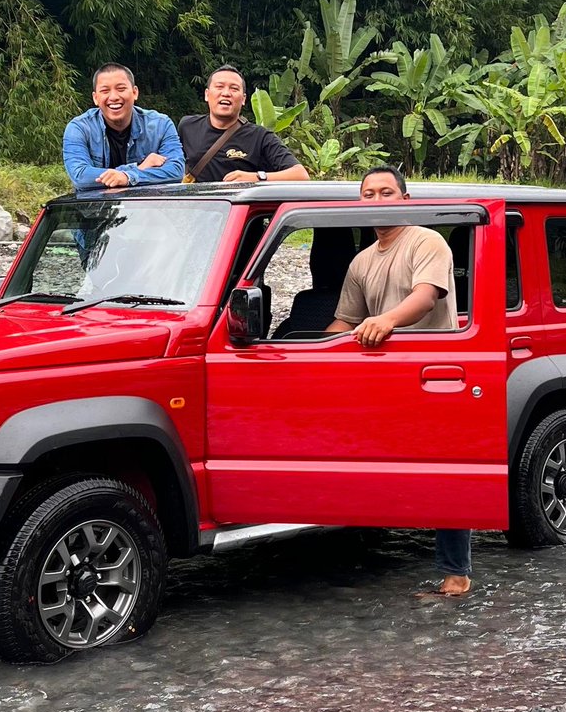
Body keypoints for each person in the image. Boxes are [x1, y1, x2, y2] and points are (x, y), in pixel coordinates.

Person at [325, 165, 472, 597]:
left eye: (386, 192)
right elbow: (343, 321)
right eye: (368, 194)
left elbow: (426, 297)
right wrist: (305, 345)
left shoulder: (427, 241)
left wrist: (385, 321)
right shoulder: (361, 261)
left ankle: (456, 573)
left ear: (406, 200)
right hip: (378, 373)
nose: (376, 200)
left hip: (432, 369)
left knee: (445, 471)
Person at [178, 65, 310, 183]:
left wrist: (256, 177)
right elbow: (172, 163)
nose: (226, 93)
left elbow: (301, 175)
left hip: (239, 209)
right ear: (207, 95)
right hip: (197, 207)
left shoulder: (260, 137)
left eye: (234, 89)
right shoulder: (187, 126)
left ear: (243, 99)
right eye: (219, 87)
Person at [62, 63, 185, 189]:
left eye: (121, 89)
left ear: (135, 92)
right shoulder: (79, 128)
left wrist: (127, 177)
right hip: (95, 207)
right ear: (95, 98)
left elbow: (175, 171)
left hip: (147, 206)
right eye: (105, 91)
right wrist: (135, 170)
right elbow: (81, 177)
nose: (114, 97)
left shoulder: (161, 125)